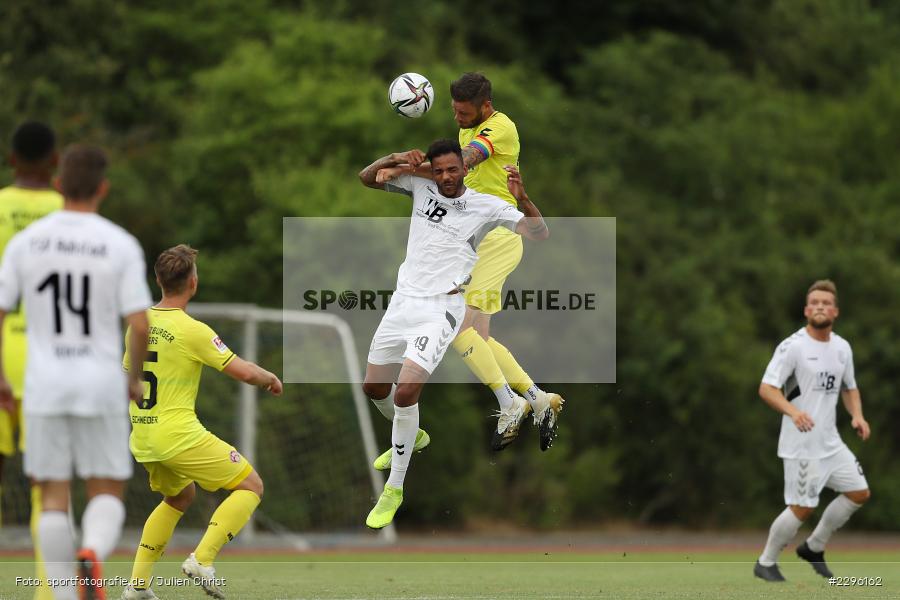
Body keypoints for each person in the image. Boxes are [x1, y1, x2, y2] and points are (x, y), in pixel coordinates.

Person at [358, 138, 549, 529]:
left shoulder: (485, 204)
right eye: (439, 170)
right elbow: (367, 178)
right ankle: (414, 435)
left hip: (441, 308)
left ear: (465, 170)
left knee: (407, 391)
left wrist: (524, 199)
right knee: (375, 389)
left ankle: (393, 488)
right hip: (402, 303)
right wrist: (395, 157)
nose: (445, 177)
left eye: (452, 170)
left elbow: (539, 233)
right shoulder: (419, 182)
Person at [374, 72, 562, 462]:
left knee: (457, 326)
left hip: (497, 237)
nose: (457, 118)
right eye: (454, 111)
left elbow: (465, 162)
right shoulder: (467, 126)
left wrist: (408, 167)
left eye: (464, 112)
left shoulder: (500, 127)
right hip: (476, 241)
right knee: (479, 339)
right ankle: (537, 397)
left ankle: (508, 402)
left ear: (486, 107)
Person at [0, 144, 152, 600]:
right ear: (103, 188)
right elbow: (140, 322)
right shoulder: (119, 242)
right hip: (100, 381)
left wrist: (3, 378)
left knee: (51, 497)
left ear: (58, 184)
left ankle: (65, 592)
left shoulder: (28, 242)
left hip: (44, 384)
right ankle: (91, 551)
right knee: (106, 490)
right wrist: (133, 377)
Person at [122, 244, 283, 600]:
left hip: (144, 434)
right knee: (251, 486)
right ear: (193, 282)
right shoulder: (192, 330)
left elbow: (128, 378)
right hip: (178, 435)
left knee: (179, 497)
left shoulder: (138, 324)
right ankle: (202, 560)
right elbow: (243, 372)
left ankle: (136, 587)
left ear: (158, 280)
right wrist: (269, 377)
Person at [754, 280, 871, 582]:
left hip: (831, 443)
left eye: (826, 302)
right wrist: (793, 411)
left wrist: (857, 415)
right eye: (814, 303)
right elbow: (767, 388)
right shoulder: (793, 347)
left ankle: (814, 546)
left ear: (836, 311)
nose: (820, 306)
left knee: (859, 493)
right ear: (807, 310)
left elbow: (850, 387)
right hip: (802, 445)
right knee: (803, 507)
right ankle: (766, 562)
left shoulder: (842, 348)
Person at [0, 121, 63, 600]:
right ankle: (48, 591)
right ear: (55, 161)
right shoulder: (70, 212)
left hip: (4, 347)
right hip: (52, 358)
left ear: (12, 158)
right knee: (48, 484)